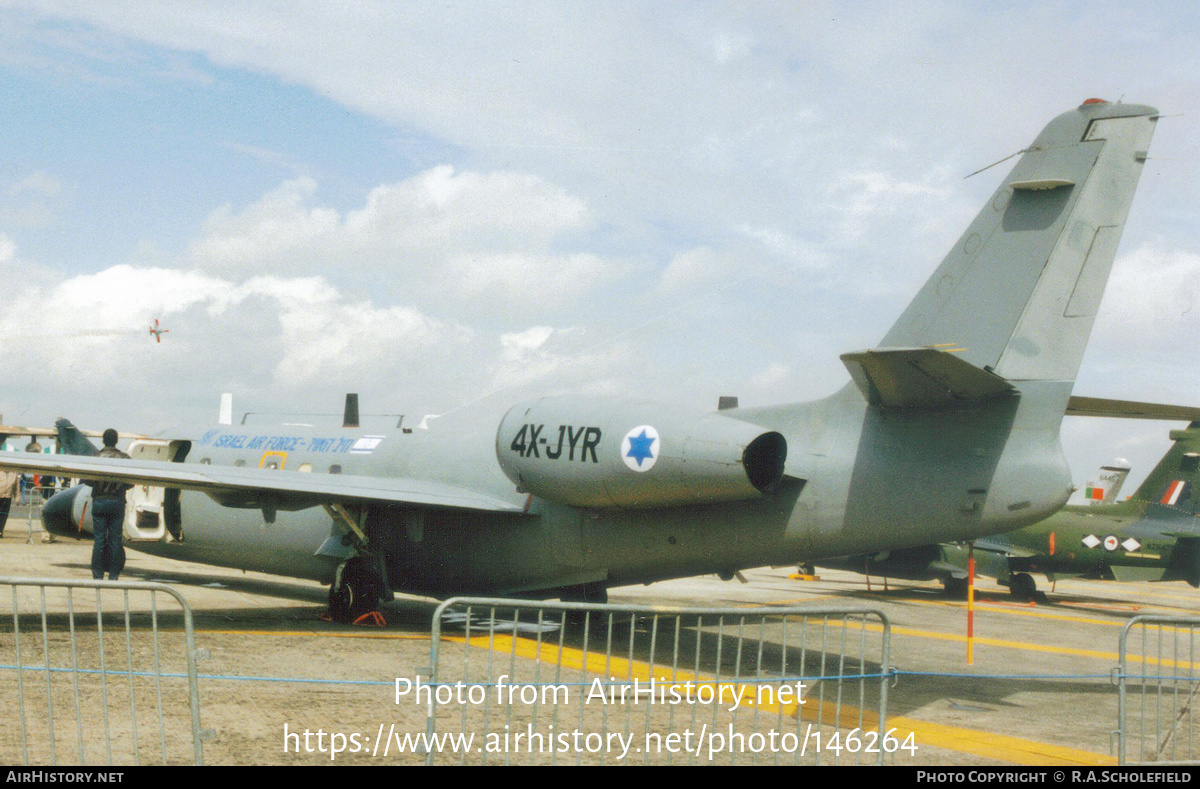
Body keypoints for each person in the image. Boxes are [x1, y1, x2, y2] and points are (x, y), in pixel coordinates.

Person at [86, 429, 133, 581]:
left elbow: (87, 480)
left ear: (103, 441)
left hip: (99, 501)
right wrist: (120, 488)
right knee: (115, 540)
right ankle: (114, 575)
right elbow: (131, 481)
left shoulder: (95, 458)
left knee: (99, 539)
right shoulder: (125, 458)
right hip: (117, 502)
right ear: (117, 440)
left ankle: (97, 574)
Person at [0, 468, 17, 537]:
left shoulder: (14, 473)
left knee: (4, 515)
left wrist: (17, 498)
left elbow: (16, 487)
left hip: (8, 497)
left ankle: (0, 531)